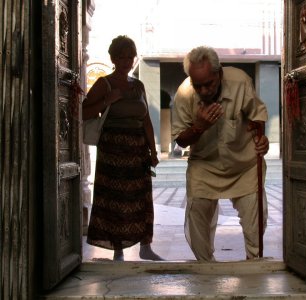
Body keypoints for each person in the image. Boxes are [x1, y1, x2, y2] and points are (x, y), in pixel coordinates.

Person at [171, 46, 270, 261]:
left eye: (209, 84)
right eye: (198, 86)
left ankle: (254, 268)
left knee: (255, 229)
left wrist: (262, 139)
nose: (204, 91)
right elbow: (180, 138)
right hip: (204, 166)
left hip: (244, 166)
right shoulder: (185, 94)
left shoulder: (239, 81)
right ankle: (207, 271)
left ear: (219, 73)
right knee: (198, 224)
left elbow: (257, 116)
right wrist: (199, 126)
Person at [83, 35, 163, 261]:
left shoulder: (138, 86)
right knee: (115, 200)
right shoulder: (104, 83)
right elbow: (83, 112)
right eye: (122, 56)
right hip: (112, 152)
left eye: (130, 56)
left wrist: (153, 151)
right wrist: (108, 100)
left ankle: (146, 247)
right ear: (113, 58)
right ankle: (118, 250)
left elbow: (146, 120)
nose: (127, 61)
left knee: (141, 199)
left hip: (137, 151)